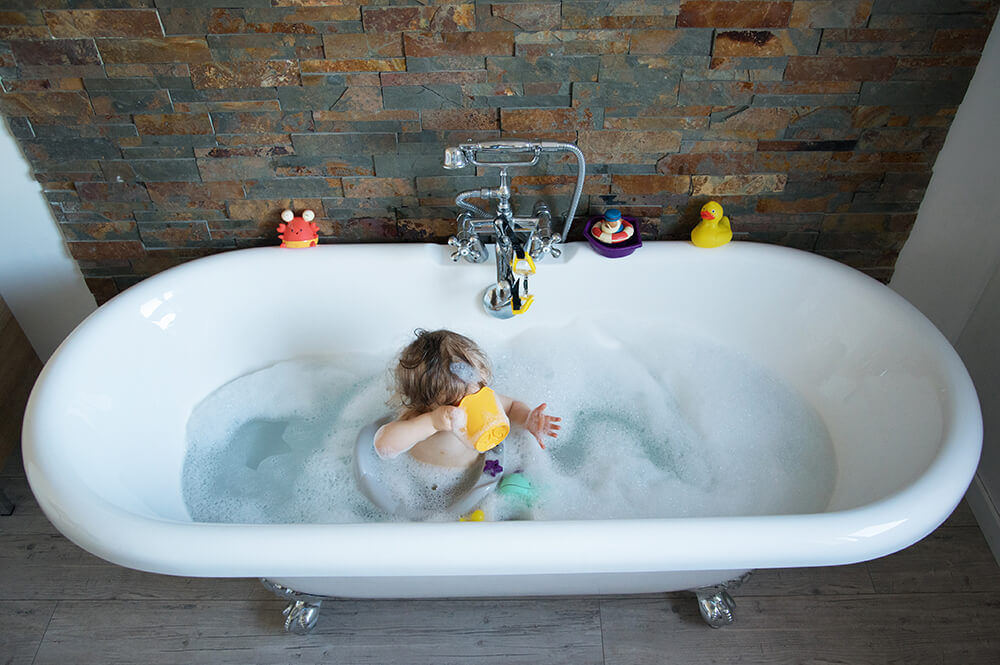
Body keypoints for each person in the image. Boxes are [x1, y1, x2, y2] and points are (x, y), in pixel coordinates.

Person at [374, 329, 560, 467]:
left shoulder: (483, 398)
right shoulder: (416, 416)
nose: (473, 401)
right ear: (424, 404)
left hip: (475, 471)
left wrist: (527, 418)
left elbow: (511, 407)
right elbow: (384, 445)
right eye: (458, 402)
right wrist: (431, 422)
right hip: (425, 478)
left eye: (479, 389)